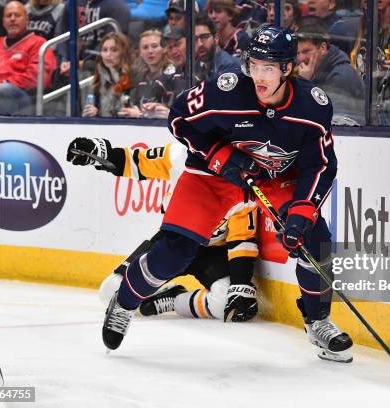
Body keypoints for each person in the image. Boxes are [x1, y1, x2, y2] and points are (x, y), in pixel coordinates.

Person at [102, 24, 353, 363]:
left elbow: (320, 165)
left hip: (275, 179)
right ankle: (125, 302)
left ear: (288, 69)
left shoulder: (312, 107)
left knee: (314, 239)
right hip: (213, 175)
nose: (259, 76)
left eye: (268, 68)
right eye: (254, 65)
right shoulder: (227, 90)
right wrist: (219, 156)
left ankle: (317, 320)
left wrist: (303, 210)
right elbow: (179, 118)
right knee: (176, 251)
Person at [66, 137, 260, 322]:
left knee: (225, 304)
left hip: (212, 251)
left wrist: (240, 283)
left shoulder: (241, 177)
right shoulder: (178, 155)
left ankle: (176, 299)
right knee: (110, 292)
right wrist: (103, 154)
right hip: (172, 243)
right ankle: (154, 295)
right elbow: (136, 162)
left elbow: (241, 240)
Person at [296, 17, 364, 123]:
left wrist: (304, 84)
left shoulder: (341, 76)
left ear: (323, 48)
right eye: (298, 53)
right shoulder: (313, 72)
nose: (301, 59)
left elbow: (325, 120)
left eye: (306, 51)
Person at [119, 29, 175, 119]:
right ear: (140, 53)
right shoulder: (138, 77)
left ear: (164, 48)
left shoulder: (173, 74)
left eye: (154, 46)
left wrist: (139, 115)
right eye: (145, 47)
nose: (150, 51)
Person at [82, 32, 133, 118]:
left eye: (114, 50)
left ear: (123, 53)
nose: (108, 55)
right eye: (104, 50)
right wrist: (93, 113)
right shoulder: (99, 79)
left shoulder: (132, 78)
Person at [193, 13, 239, 82]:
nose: (200, 44)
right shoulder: (202, 67)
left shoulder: (228, 66)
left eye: (204, 37)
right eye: (195, 39)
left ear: (216, 38)